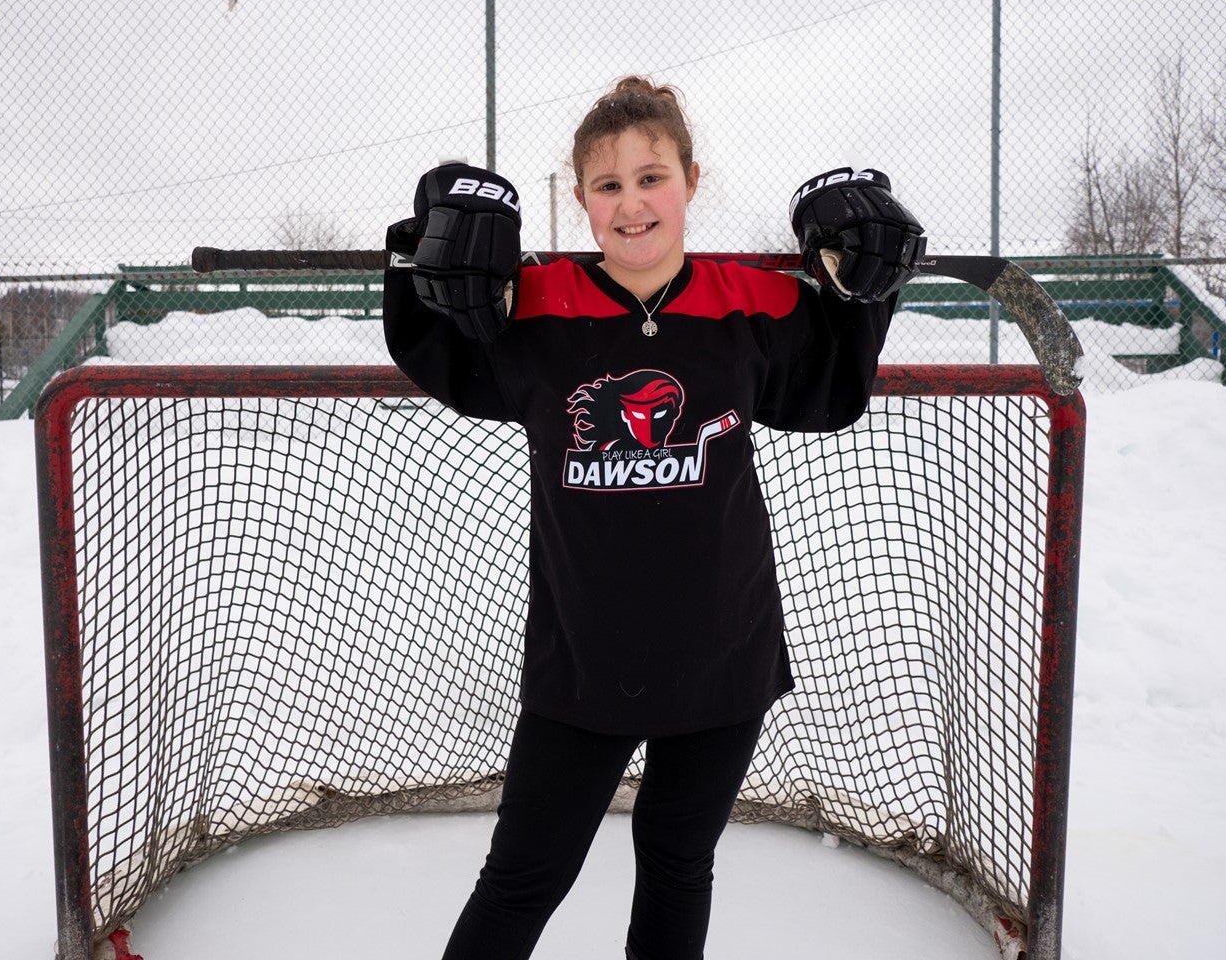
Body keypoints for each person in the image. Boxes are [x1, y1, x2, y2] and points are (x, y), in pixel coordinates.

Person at [382, 76, 925, 960]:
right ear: (581, 200)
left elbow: (830, 386)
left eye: (651, 177)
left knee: (678, 864)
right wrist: (429, 228)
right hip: (583, 666)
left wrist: (859, 272)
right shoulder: (537, 307)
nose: (631, 204)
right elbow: (437, 347)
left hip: (723, 661)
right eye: (607, 185)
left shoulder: (753, 301)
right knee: (523, 876)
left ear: (691, 181)